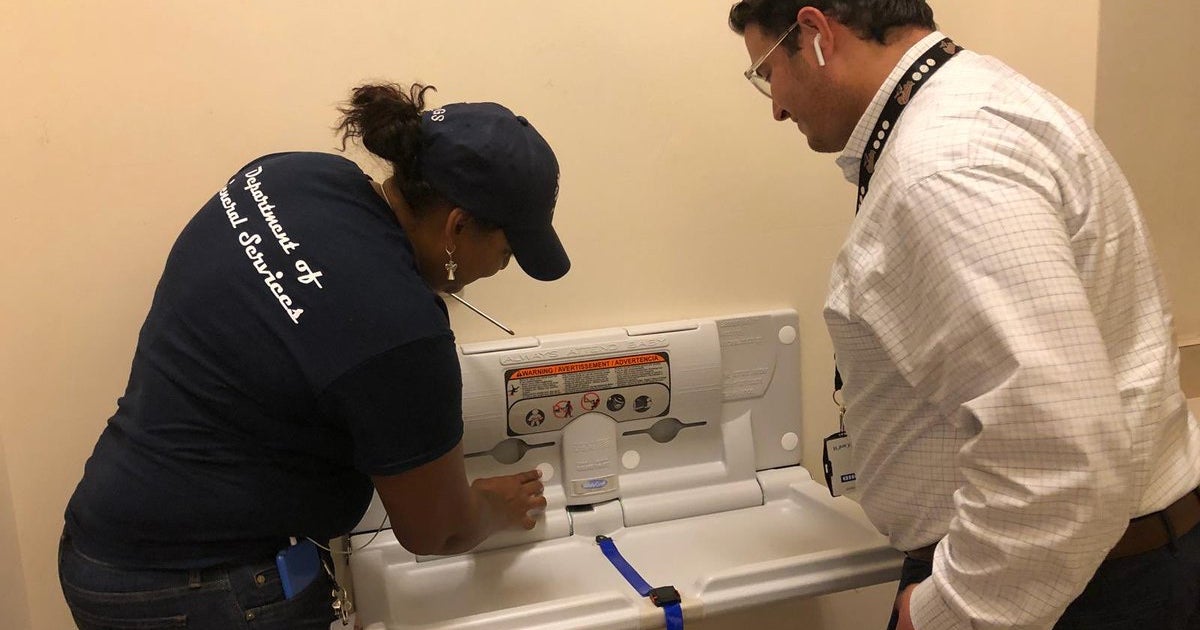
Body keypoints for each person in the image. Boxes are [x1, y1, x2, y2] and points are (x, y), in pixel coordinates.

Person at [727, 2, 1200, 629]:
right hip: (1099, 568)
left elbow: (1056, 456)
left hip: (1058, 590)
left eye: (767, 71)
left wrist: (944, 614)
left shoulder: (940, 168)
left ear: (815, 35)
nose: (777, 105)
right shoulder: (990, 101)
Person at [59, 82, 566, 629]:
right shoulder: (403, 330)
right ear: (458, 225)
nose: (498, 269)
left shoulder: (286, 175)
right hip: (201, 589)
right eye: (507, 250)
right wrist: (491, 506)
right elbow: (436, 531)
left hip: (103, 540)